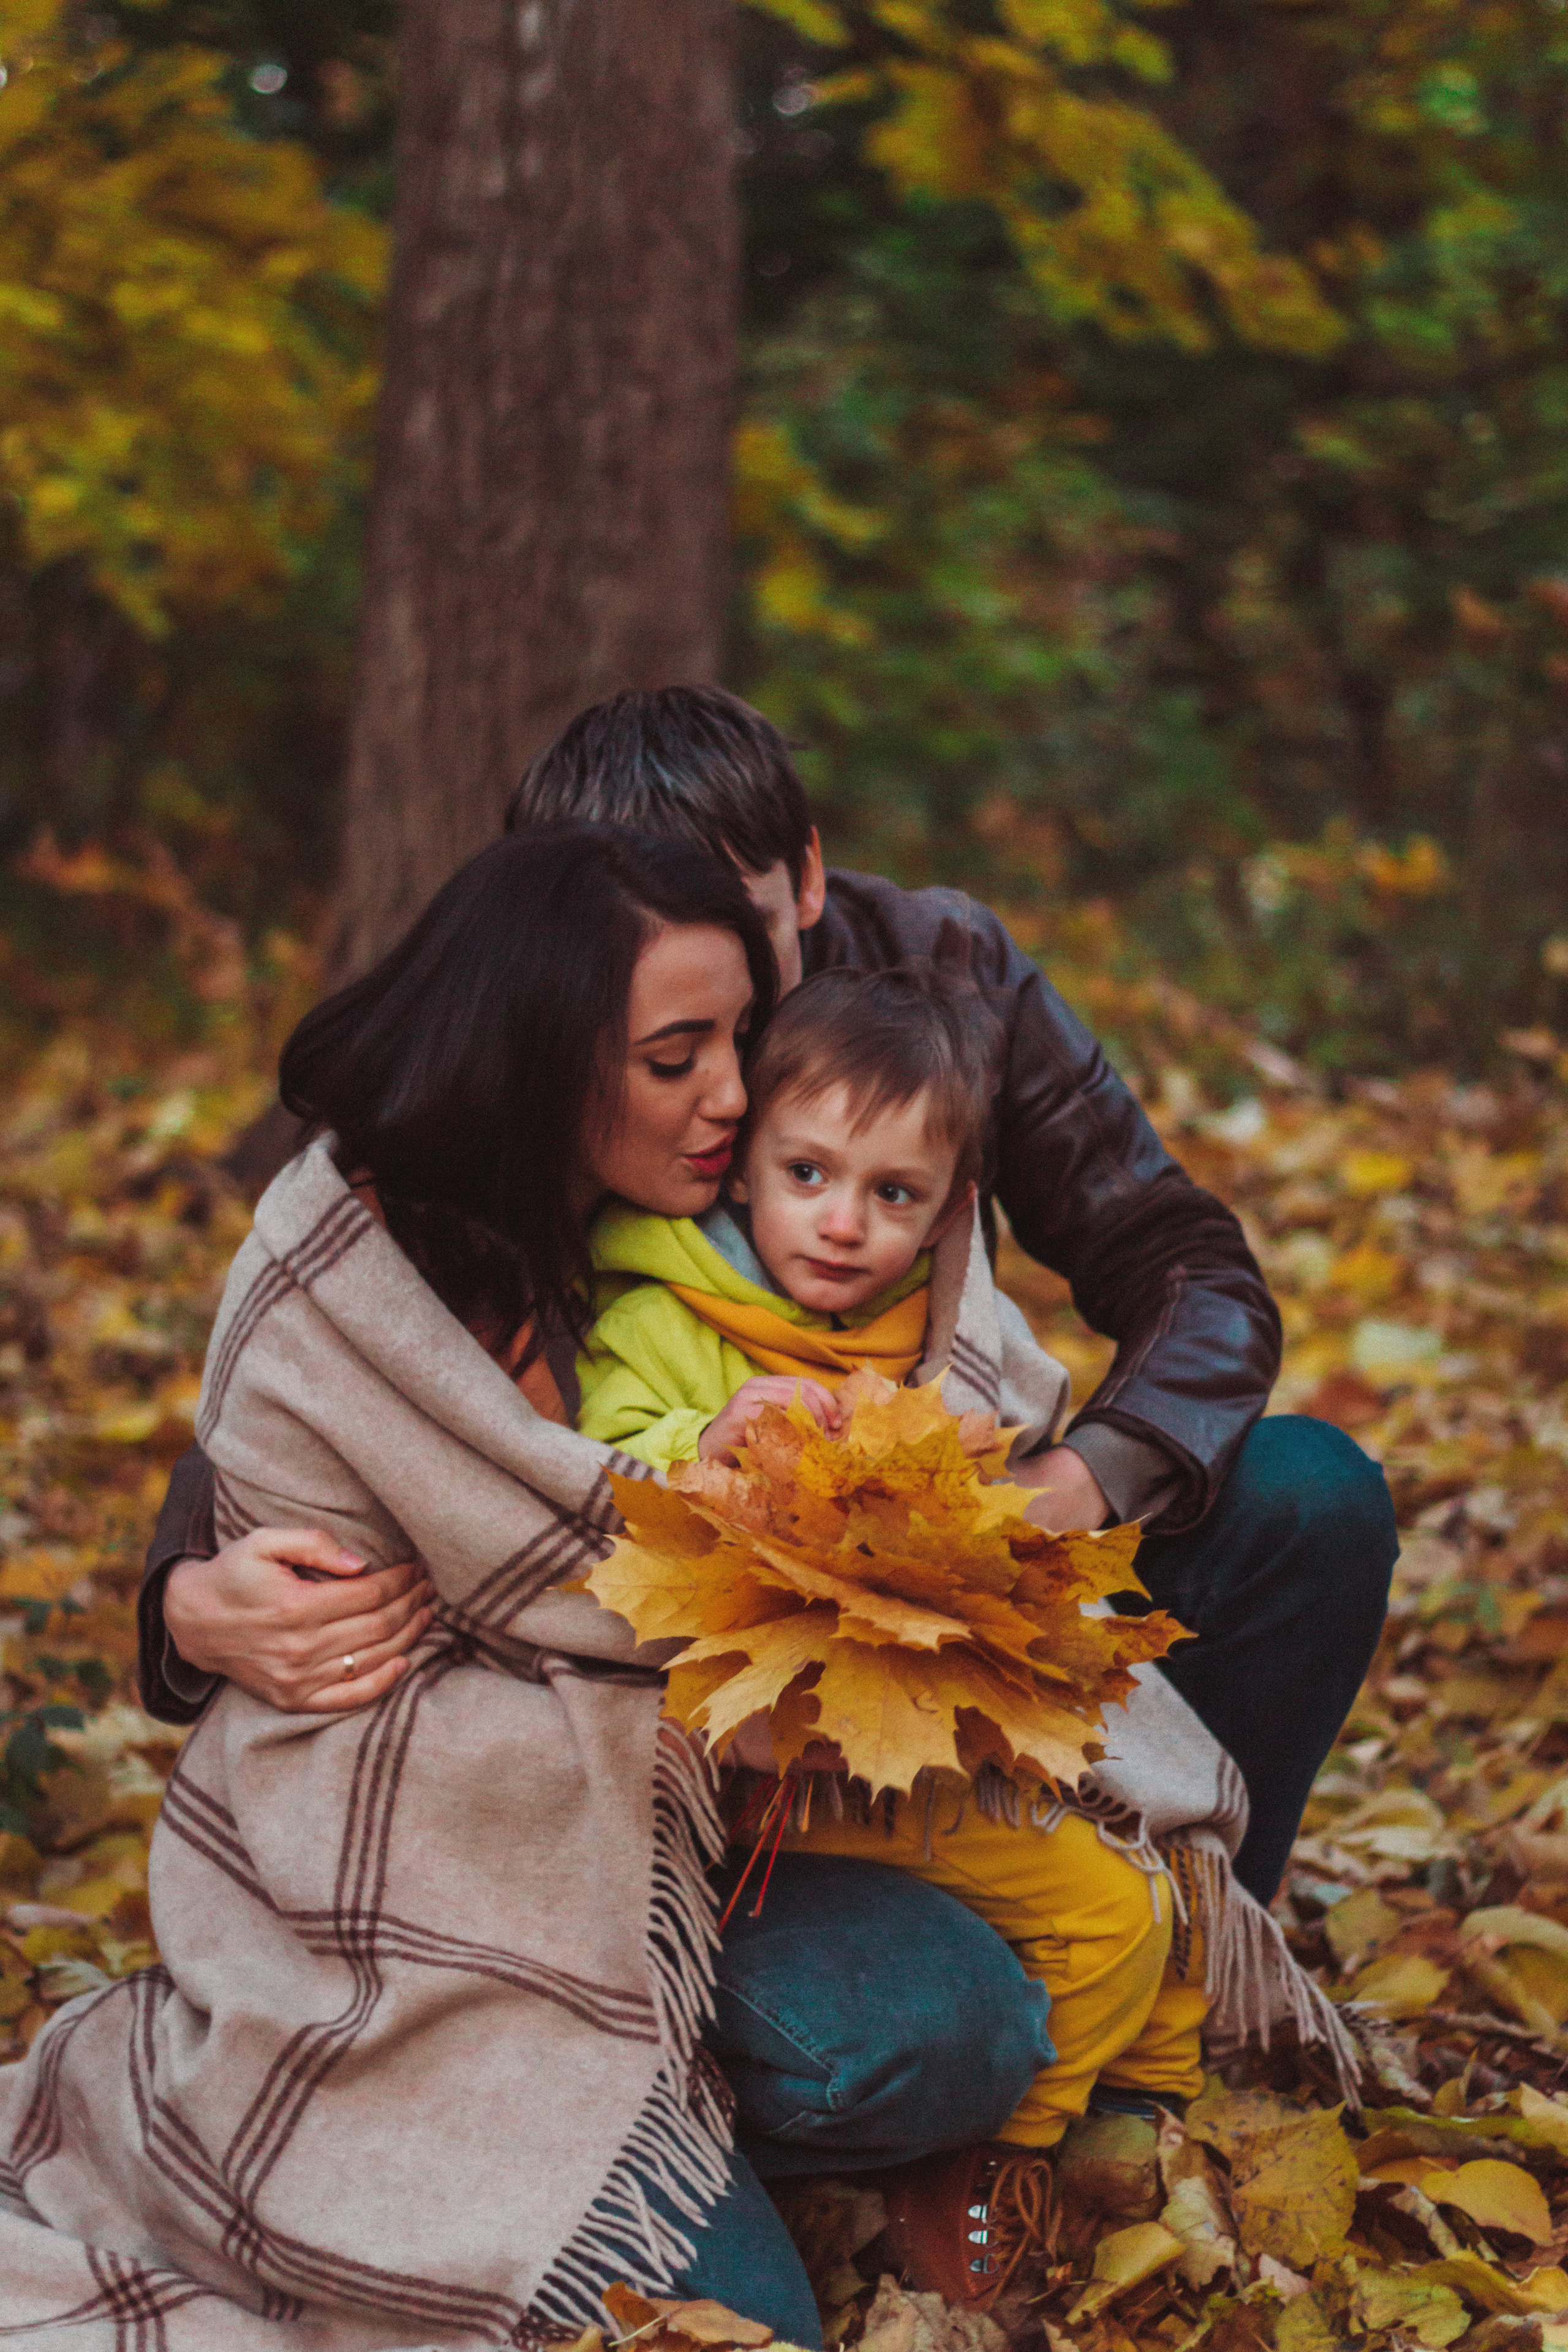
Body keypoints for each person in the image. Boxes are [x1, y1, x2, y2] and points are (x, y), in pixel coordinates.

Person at [0, 826, 1063, 2347]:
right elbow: (302, 1499)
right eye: (673, 1057)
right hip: (419, 1891)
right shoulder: (361, 1265)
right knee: (738, 2331)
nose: (729, 1095)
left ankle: (668, 2121)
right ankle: (558, 2145)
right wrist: (185, 1598)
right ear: (544, 1054)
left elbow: (952, 1369)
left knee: (964, 2023)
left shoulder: (761, 1221)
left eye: (738, 1043)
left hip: (685, 1859)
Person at [140, 684, 1398, 1917]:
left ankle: (1201, 1938)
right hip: (695, 1637)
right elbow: (364, 1359)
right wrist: (185, 1597)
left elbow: (1180, 1256)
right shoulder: (541, 1049)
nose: (730, 1084)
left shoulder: (940, 971)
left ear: (805, 878)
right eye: (664, 1023)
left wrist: (1073, 1484)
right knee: (923, 2032)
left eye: (741, 951)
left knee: (1308, 1498)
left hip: (961, 1530)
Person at [578, 963, 1212, 2154]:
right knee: (1089, 1921)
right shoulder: (656, 1312)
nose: (840, 1222)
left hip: (920, 1727)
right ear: (744, 1156)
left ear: (945, 1213)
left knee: (1144, 1904)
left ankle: (1102, 2131)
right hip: (747, 1759)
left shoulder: (945, 1332)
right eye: (806, 1174)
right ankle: (1002, 2152)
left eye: (891, 1193)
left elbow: (1009, 1475)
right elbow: (593, 1469)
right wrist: (699, 1443)